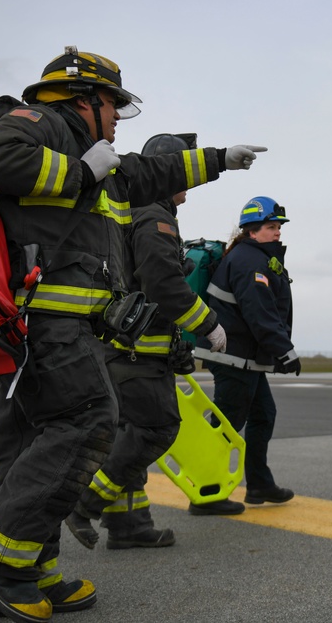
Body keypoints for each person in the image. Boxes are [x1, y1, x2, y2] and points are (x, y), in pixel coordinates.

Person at [0, 46, 266, 622]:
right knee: (89, 419)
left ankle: (30, 568)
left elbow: (149, 172)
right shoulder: (42, 123)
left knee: (27, 444)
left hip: (52, 323)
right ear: (86, 99)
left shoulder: (89, 148)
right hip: (48, 318)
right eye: (114, 106)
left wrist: (220, 158)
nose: (118, 118)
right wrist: (81, 172)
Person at [65, 133, 245, 554]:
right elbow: (162, 280)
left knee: (131, 433)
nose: (186, 179)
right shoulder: (152, 214)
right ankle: (85, 503)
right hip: (137, 353)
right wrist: (208, 324)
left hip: (129, 348)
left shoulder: (142, 210)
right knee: (155, 431)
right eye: (180, 169)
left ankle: (129, 524)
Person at [195, 196, 299, 511]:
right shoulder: (248, 260)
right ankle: (207, 491)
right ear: (252, 231)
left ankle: (258, 484)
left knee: (262, 415)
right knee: (227, 423)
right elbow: (259, 312)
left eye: (279, 226)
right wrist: (285, 351)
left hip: (245, 358)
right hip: (231, 356)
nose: (278, 232)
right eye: (271, 227)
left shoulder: (254, 256)